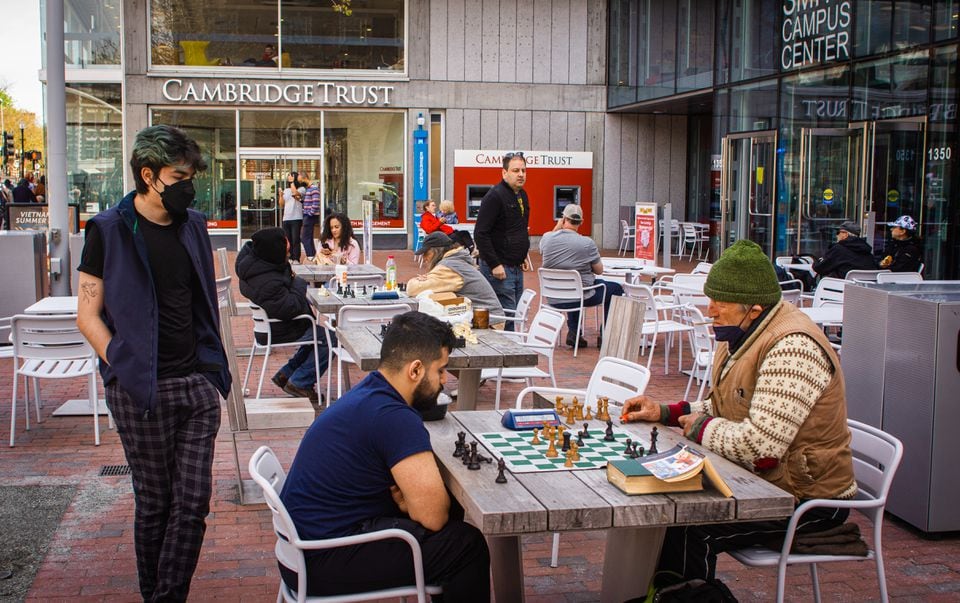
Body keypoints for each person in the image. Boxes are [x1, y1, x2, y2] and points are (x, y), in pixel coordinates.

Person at [621, 240, 856, 594]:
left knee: (690, 524)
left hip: (811, 500)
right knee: (674, 509)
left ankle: (685, 597)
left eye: (720, 303)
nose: (710, 311)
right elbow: (723, 408)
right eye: (709, 298)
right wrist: (668, 412)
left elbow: (760, 447)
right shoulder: (741, 335)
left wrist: (699, 427)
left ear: (754, 309)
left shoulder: (793, 347)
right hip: (773, 483)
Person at [76, 125, 232, 602]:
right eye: (178, 176)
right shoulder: (107, 230)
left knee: (191, 506)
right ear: (148, 175)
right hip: (138, 390)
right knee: (156, 503)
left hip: (196, 387)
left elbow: (200, 301)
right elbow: (87, 313)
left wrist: (211, 376)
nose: (189, 186)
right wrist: (121, 363)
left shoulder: (193, 225)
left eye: (192, 176)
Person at [280, 311, 490, 600]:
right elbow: (433, 517)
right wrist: (414, 506)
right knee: (465, 546)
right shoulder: (394, 417)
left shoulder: (370, 391)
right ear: (415, 370)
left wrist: (412, 504)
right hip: (320, 559)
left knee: (450, 514)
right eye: (440, 369)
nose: (445, 379)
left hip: (300, 547)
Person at [235, 227, 327, 406]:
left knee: (318, 335)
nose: (289, 253)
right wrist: (298, 282)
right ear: (274, 251)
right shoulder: (267, 280)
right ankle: (300, 382)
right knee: (330, 339)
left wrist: (291, 279)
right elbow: (291, 306)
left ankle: (286, 373)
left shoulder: (258, 267)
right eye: (286, 251)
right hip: (279, 328)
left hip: (273, 324)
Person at [539, 204, 624, 347]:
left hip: (553, 297)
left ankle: (574, 333)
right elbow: (599, 270)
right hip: (579, 296)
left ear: (563, 219)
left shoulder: (547, 239)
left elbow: (542, 246)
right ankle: (605, 333)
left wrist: (557, 228)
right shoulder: (587, 243)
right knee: (614, 288)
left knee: (576, 288)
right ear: (581, 222)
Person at [474, 152, 530, 328]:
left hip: (515, 267)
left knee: (514, 315)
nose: (521, 174)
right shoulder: (494, 196)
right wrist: (494, 264)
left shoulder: (522, 195)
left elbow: (518, 229)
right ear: (504, 173)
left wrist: (523, 256)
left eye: (523, 170)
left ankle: (513, 352)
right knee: (504, 319)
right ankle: (507, 354)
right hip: (499, 269)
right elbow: (481, 233)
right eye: (515, 170)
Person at [408, 231, 504, 322]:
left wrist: (418, 280)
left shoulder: (449, 267)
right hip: (482, 316)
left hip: (486, 321)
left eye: (426, 253)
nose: (424, 258)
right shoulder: (455, 262)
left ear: (436, 252)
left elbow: (412, 289)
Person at [811, 220, 877, 279]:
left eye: (838, 232)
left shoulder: (839, 249)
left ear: (846, 234)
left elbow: (820, 268)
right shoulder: (867, 251)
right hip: (865, 290)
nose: (836, 235)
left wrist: (816, 262)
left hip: (841, 288)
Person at [280, 171, 304, 262]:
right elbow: (281, 204)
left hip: (296, 218)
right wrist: (281, 196)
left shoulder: (301, 189)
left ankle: (296, 258)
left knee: (295, 239)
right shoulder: (286, 190)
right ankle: (290, 257)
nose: (289, 177)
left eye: (291, 176)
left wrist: (292, 183)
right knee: (288, 239)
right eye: (289, 176)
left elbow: (295, 193)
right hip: (286, 218)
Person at [300, 173, 321, 261]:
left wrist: (309, 214)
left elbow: (316, 202)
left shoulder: (314, 189)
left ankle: (310, 256)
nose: (300, 183)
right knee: (308, 237)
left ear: (305, 178)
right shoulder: (309, 189)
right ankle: (312, 255)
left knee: (304, 237)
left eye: (301, 181)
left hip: (309, 216)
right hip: (307, 215)